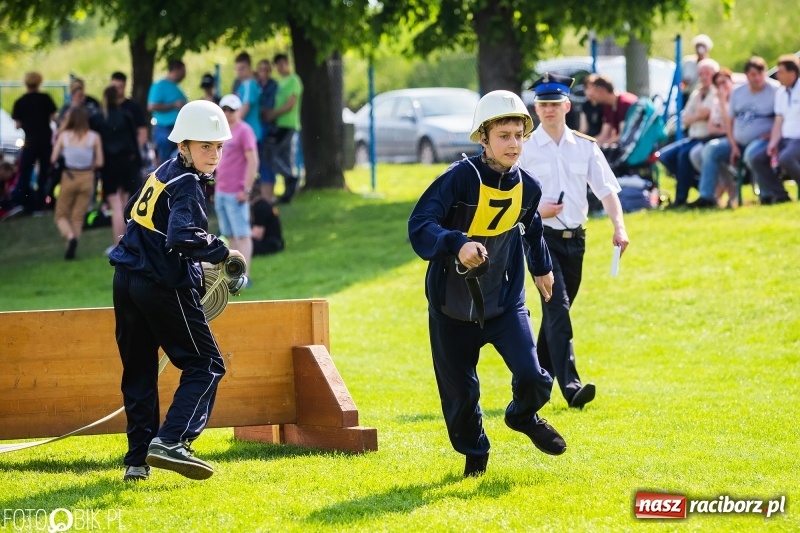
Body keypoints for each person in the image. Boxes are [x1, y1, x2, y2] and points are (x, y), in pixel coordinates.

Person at [408, 90, 566, 479]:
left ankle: (523, 416)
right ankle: (475, 457)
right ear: (483, 139)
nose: (514, 143)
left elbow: (531, 228)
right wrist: (457, 243)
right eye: (504, 136)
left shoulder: (529, 187)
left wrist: (542, 268)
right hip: (451, 308)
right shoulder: (458, 179)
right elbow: (420, 225)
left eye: (519, 135)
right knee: (461, 398)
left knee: (532, 376)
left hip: (504, 303)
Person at [108, 99, 245, 482]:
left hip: (125, 280)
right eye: (205, 146)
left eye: (218, 147)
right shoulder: (188, 185)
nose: (214, 155)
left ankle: (137, 462)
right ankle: (172, 441)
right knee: (206, 364)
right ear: (183, 145)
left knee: (138, 372)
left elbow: (132, 211)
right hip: (161, 286)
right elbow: (183, 235)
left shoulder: (163, 172)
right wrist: (221, 252)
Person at [519, 73, 629, 409]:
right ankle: (571, 387)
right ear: (536, 108)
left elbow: (607, 190)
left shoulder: (586, 146)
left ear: (567, 105)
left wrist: (619, 227)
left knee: (556, 316)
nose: (549, 110)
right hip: (540, 240)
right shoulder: (524, 148)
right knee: (558, 310)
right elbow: (513, 195)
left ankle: (531, 383)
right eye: (543, 104)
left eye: (554, 104)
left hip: (575, 241)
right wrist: (539, 209)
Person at [689, 56, 779, 208]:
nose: (756, 78)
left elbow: (782, 117)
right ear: (746, 76)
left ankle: (767, 195)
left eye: (759, 73)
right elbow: (730, 121)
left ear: (764, 73)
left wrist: (773, 135)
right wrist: (733, 144)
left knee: (752, 153)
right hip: (736, 141)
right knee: (710, 149)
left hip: (763, 141)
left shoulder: (775, 90)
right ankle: (707, 197)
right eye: (752, 75)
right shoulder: (739, 93)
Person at [659, 58, 720, 207]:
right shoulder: (696, 93)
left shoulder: (716, 92)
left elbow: (704, 113)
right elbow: (685, 117)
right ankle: (698, 184)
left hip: (706, 138)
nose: (704, 77)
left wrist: (697, 114)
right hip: (693, 137)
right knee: (665, 157)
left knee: (683, 156)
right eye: (701, 73)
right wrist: (697, 115)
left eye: (707, 73)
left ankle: (680, 199)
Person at [92, 86, 142, 254]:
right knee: (128, 204)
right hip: (127, 162)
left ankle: (119, 243)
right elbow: (134, 142)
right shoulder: (126, 115)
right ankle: (131, 242)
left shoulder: (99, 118)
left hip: (109, 164)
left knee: (116, 205)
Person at [50, 106, 104, 259]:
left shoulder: (64, 136)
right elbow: (99, 161)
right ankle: (71, 249)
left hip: (69, 176)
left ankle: (70, 238)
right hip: (87, 177)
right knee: (78, 216)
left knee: (61, 214)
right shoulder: (94, 137)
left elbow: (53, 159)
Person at [214, 94, 259, 278]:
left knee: (242, 235)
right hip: (221, 191)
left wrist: (247, 190)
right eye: (224, 109)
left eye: (231, 109)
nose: (227, 113)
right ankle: (235, 274)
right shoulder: (220, 132)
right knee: (230, 235)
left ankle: (245, 275)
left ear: (238, 110)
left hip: (237, 193)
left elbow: (253, 161)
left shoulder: (244, 131)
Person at [10, 71, 58, 213]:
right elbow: (54, 118)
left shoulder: (20, 102)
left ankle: (23, 201)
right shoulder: (45, 99)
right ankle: (42, 201)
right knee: (44, 173)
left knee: (25, 172)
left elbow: (17, 124)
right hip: (45, 142)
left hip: (30, 142)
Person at [760, 54, 800, 202]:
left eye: (781, 72)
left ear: (792, 73)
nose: (777, 75)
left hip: (798, 140)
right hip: (785, 139)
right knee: (756, 157)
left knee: (786, 158)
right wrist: (772, 144)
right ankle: (781, 195)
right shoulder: (781, 93)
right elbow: (778, 121)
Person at [268, 53, 303, 204]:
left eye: (282, 63)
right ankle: (288, 192)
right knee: (285, 158)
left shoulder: (294, 80)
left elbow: (290, 104)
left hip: (287, 125)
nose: (280, 67)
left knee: (272, 155)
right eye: (278, 65)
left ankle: (291, 177)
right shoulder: (280, 82)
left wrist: (273, 114)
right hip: (280, 124)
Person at [147, 59, 187, 164]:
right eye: (183, 72)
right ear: (175, 70)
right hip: (164, 129)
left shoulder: (175, 87)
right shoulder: (160, 85)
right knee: (165, 162)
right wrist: (174, 105)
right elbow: (151, 106)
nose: (184, 76)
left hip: (177, 130)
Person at [584, 73, 637, 146]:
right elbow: (604, 135)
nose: (590, 95)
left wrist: (603, 145)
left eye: (593, 92)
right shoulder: (608, 106)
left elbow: (623, 135)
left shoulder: (624, 103)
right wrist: (587, 145)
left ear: (602, 90)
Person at [110, 71, 149, 155]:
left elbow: (142, 131)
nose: (116, 91)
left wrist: (136, 150)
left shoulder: (133, 107)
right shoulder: (105, 107)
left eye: (119, 87)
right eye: (114, 87)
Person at [256, 58, 279, 203]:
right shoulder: (256, 85)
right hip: (259, 126)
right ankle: (263, 196)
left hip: (268, 127)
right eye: (261, 70)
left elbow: (267, 109)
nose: (263, 73)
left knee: (267, 161)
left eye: (266, 70)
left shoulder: (272, 86)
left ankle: (268, 196)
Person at [250, 183, 284, 255]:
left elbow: (257, 235)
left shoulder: (260, 207)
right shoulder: (263, 204)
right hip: (275, 242)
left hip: (271, 244)